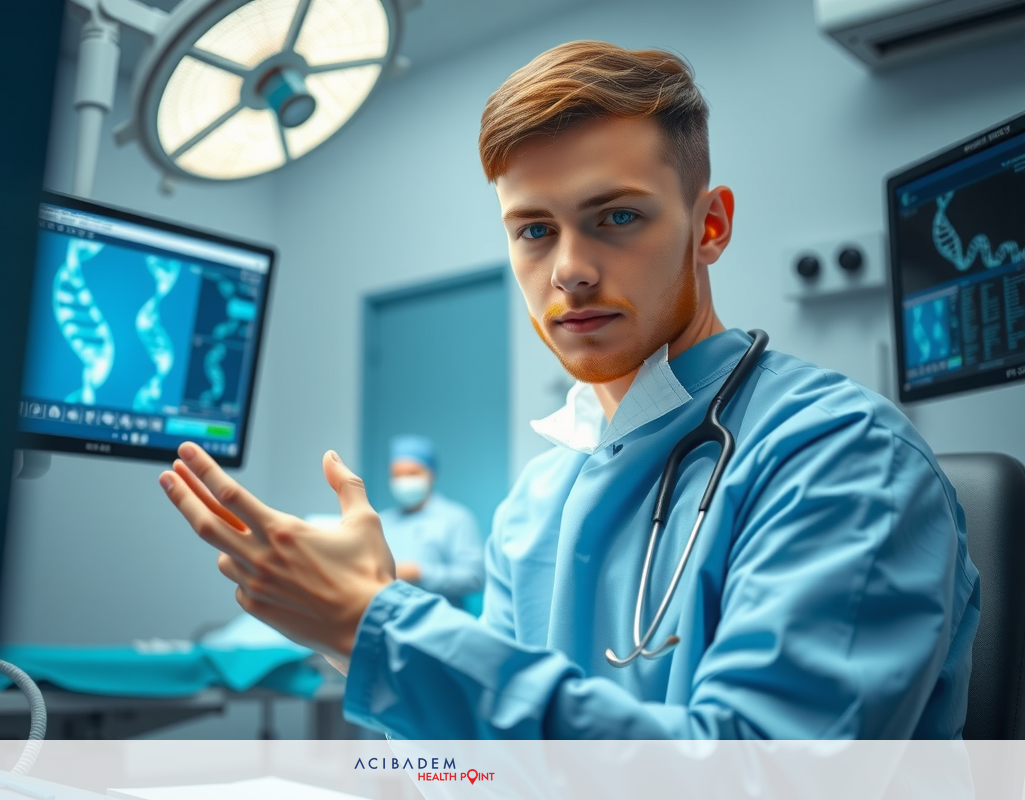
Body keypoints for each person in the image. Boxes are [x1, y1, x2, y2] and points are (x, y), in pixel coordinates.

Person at [158, 42, 978, 739]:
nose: (570, 270)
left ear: (710, 226)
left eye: (617, 217)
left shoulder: (839, 457)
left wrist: (378, 630)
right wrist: (361, 642)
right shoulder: (536, 503)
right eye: (534, 230)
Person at [379, 435, 484, 608]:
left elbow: (474, 577)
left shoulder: (456, 518)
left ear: (431, 474)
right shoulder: (381, 521)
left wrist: (420, 573)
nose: (403, 480)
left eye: (412, 473)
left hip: (441, 625)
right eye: (397, 475)